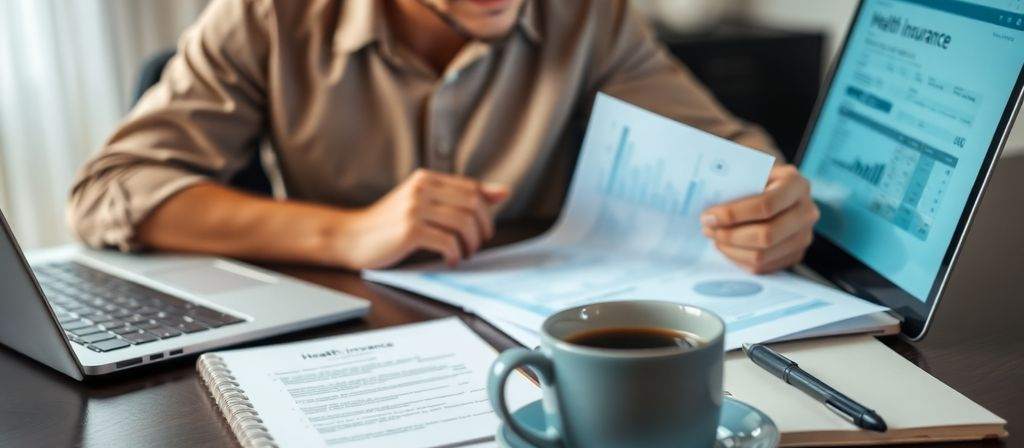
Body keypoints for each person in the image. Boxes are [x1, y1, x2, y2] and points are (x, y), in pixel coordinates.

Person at [69, 0, 819, 274]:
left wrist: (774, 209)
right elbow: (109, 192)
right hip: (346, 357)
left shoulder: (591, 16)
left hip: (536, 350)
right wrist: (346, 235)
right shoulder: (266, 17)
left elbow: (738, 163)